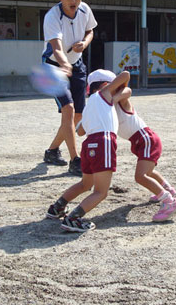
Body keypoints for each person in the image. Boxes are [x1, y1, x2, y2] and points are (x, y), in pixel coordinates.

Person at [46, 70, 130, 232]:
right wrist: (118, 92)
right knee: (101, 192)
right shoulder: (104, 95)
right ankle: (73, 218)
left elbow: (81, 131)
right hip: (104, 142)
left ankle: (57, 208)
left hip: (89, 144)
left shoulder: (90, 104)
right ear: (106, 85)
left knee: (86, 183)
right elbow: (125, 75)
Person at [42, 0, 97, 176]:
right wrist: (64, 64)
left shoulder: (85, 10)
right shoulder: (52, 17)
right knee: (69, 109)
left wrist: (85, 42)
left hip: (77, 64)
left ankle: (52, 151)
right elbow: (56, 48)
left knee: (78, 115)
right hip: (53, 67)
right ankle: (75, 160)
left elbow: (90, 31)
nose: (73, 1)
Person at [112, 85, 176, 221]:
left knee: (140, 176)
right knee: (148, 172)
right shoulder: (107, 107)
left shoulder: (120, 101)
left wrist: (113, 97)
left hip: (146, 139)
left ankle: (170, 203)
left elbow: (128, 90)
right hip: (140, 141)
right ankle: (169, 190)